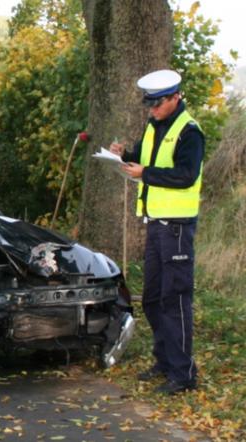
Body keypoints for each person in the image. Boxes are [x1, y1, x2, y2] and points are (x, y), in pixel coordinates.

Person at [110, 69, 204, 395]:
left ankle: (182, 374)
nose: (151, 110)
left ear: (175, 98)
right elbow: (143, 158)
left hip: (177, 226)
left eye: (157, 104)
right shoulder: (155, 125)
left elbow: (186, 175)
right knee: (151, 298)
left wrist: (145, 173)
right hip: (156, 223)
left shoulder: (189, 132)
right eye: (149, 105)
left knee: (174, 300)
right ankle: (164, 362)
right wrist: (123, 154)